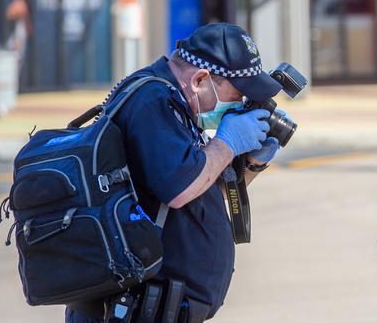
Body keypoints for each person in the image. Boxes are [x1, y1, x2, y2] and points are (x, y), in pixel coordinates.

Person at [65, 23, 285, 322]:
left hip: (157, 310)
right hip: (130, 311)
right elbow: (180, 189)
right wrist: (228, 143)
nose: (240, 105)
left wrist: (251, 163)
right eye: (237, 95)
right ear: (200, 80)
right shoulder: (153, 101)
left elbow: (203, 188)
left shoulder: (176, 104)